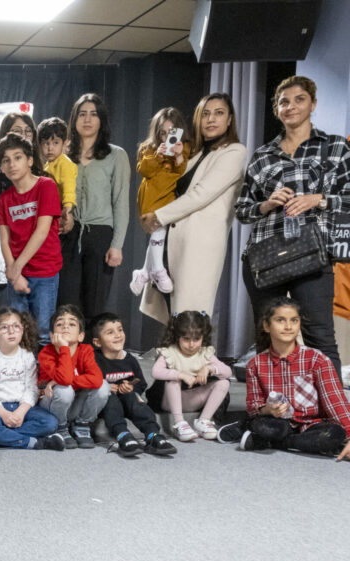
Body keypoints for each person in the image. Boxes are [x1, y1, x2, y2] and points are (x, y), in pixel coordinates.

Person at [235, 75, 350, 372]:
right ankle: (271, 413)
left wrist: (318, 199)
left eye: (299, 99)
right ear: (276, 109)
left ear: (313, 104)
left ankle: (333, 415)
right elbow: (242, 210)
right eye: (284, 101)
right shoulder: (261, 156)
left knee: (320, 339)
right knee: (268, 339)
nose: (291, 106)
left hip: (312, 255)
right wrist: (267, 203)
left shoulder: (336, 147)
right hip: (264, 256)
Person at [139, 93, 246, 324]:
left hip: (199, 246)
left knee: (191, 319)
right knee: (172, 318)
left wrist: (158, 216)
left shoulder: (234, 152)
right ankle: (171, 361)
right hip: (172, 241)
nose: (211, 119)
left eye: (219, 113)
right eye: (205, 114)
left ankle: (195, 361)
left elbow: (201, 195)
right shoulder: (193, 153)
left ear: (230, 120)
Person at [239, 298, 350, 458]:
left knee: (334, 435)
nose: (288, 326)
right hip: (278, 423)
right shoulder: (255, 364)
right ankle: (257, 432)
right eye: (280, 320)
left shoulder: (317, 359)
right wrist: (269, 410)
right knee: (264, 426)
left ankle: (276, 443)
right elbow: (254, 406)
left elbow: (335, 402)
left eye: (294, 320)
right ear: (266, 326)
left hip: (313, 424)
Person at [57, 93, 130, 318]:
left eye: (93, 114)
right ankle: (67, 353)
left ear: (102, 120)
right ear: (74, 119)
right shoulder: (62, 155)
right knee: (66, 302)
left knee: (95, 304)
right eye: (82, 114)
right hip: (68, 233)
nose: (87, 119)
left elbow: (120, 201)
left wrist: (117, 245)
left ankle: (91, 353)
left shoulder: (116, 155)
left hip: (100, 235)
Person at [0, 132, 62, 344]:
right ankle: (21, 375)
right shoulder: (4, 199)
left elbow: (42, 231)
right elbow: (4, 240)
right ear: (2, 168)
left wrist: (16, 268)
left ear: (30, 160)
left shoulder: (45, 186)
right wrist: (14, 273)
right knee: (18, 332)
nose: (12, 164)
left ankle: (42, 377)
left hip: (44, 273)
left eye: (17, 157)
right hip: (18, 274)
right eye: (6, 160)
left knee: (42, 331)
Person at [0, 307, 63, 451]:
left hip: (22, 407)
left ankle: (2, 439)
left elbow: (32, 388)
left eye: (16, 326)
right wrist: (2, 413)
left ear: (22, 330)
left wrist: (20, 412)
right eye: (4, 327)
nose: (11, 331)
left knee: (51, 423)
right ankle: (35, 443)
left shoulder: (27, 356)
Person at [89, 313, 177, 457]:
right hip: (106, 404)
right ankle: (123, 435)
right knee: (111, 399)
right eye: (110, 332)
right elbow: (88, 380)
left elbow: (141, 383)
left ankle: (152, 434)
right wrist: (103, 386)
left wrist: (131, 387)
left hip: (128, 401)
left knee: (134, 398)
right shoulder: (94, 359)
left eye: (120, 330)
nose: (118, 335)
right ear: (98, 342)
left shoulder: (130, 360)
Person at [129, 107, 190, 296]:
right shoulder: (149, 148)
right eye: (162, 133)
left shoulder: (185, 148)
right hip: (150, 197)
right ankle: (157, 270)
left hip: (169, 197)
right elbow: (144, 170)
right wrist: (157, 155)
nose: (165, 138)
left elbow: (183, 173)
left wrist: (179, 155)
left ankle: (145, 272)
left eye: (170, 133)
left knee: (159, 233)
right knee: (158, 231)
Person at [147, 311, 231, 442]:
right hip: (170, 401)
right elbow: (155, 372)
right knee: (172, 381)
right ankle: (179, 423)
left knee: (224, 383)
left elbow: (228, 372)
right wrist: (179, 374)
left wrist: (209, 368)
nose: (192, 345)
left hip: (194, 399)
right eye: (186, 339)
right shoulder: (170, 352)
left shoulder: (205, 352)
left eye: (196, 339)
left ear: (203, 337)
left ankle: (203, 421)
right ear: (177, 336)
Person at [37, 304, 109, 449]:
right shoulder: (46, 353)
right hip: (51, 407)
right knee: (64, 389)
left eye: (71, 323)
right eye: (59, 324)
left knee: (103, 385)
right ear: (51, 336)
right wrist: (64, 349)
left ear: (81, 335)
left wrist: (57, 381)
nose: (65, 327)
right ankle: (61, 427)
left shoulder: (86, 350)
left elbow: (96, 379)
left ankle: (82, 425)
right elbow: (64, 380)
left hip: (75, 405)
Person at [37, 117, 76, 236]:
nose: (50, 148)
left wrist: (68, 209)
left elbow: (69, 187)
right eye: (46, 143)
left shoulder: (65, 164)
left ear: (65, 143)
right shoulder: (46, 166)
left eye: (55, 143)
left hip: (63, 209)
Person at [0, 112, 39, 192]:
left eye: (28, 131)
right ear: (5, 136)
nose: (24, 135)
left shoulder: (44, 174)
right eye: (17, 131)